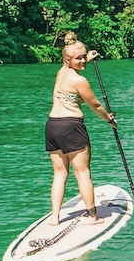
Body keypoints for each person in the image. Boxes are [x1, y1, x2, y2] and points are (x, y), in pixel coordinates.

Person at [47, 32, 117, 225]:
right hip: (71, 127)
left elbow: (73, 60)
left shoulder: (61, 72)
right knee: (82, 172)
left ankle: (55, 217)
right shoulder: (80, 81)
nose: (83, 61)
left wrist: (86, 57)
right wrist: (109, 120)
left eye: (83, 56)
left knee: (60, 173)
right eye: (78, 59)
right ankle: (93, 216)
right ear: (68, 60)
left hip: (52, 126)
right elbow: (95, 105)